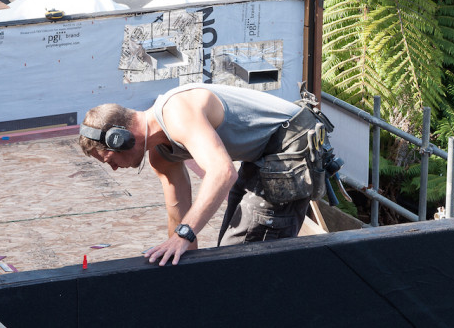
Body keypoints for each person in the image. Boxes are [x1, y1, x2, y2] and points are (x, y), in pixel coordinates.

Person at [78, 83, 334, 266]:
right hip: (263, 154)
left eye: (108, 159)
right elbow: (179, 216)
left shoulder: (177, 112)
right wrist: (178, 262)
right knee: (229, 251)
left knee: (242, 260)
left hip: (291, 143)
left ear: (121, 139)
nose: (113, 168)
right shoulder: (161, 156)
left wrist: (183, 236)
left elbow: (222, 173)